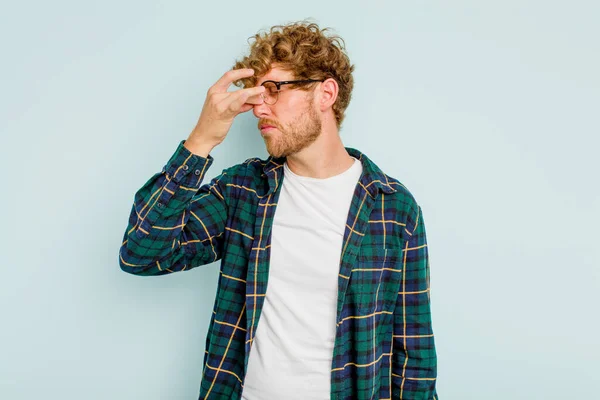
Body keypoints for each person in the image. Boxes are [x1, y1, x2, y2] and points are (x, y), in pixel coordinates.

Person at [119, 21, 438, 400]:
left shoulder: (394, 207)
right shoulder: (243, 191)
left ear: (326, 93)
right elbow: (141, 253)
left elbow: (413, 354)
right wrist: (201, 140)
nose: (258, 108)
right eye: (255, 95)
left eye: (272, 90)